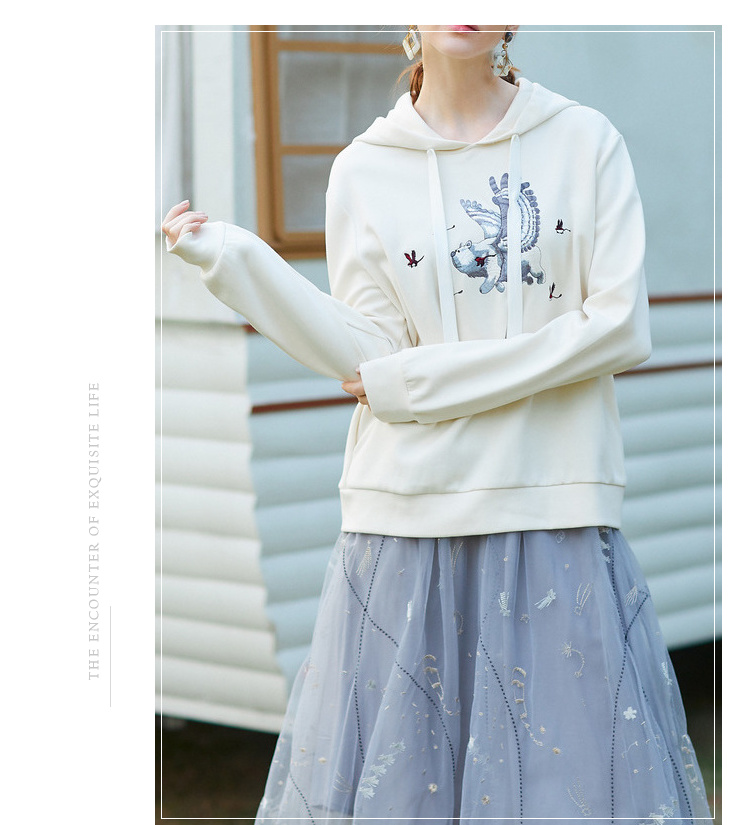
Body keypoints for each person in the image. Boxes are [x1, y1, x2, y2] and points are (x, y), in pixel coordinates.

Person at [162, 25, 712, 824]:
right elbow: (368, 355)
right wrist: (237, 264)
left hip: (552, 512)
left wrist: (420, 382)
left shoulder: (585, 141)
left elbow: (620, 330)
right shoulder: (363, 168)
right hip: (405, 529)